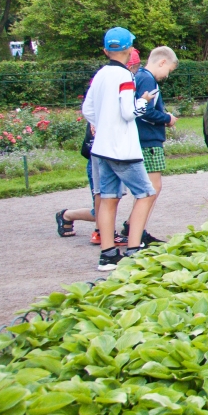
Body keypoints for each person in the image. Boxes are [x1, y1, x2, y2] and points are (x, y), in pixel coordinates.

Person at [83, 27, 156, 270]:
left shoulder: (101, 75)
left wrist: (100, 125)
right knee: (146, 194)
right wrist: (144, 102)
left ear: (106, 50)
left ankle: (108, 255)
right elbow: (128, 112)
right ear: (130, 50)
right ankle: (134, 249)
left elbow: (88, 110)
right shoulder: (125, 77)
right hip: (122, 149)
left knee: (108, 199)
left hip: (101, 148)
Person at [130, 45, 178, 246]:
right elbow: (145, 112)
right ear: (162, 62)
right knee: (152, 187)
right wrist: (167, 118)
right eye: (168, 71)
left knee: (148, 187)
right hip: (149, 139)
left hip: (145, 138)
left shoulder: (139, 76)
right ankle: (136, 230)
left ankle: (135, 227)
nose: (166, 76)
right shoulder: (148, 79)